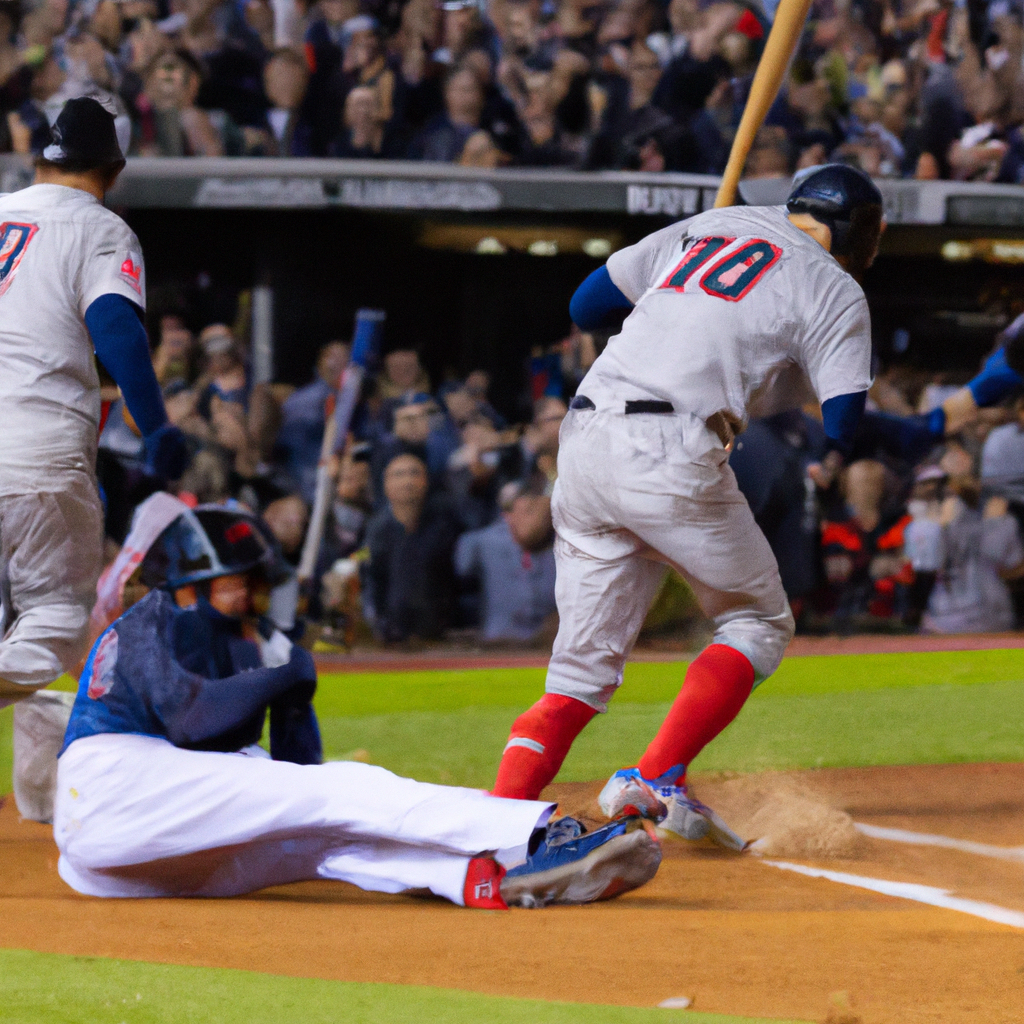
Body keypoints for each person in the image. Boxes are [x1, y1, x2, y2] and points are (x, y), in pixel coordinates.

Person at [490, 165, 886, 847]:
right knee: (758, 621)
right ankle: (657, 776)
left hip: (584, 439)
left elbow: (587, 307)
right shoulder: (835, 285)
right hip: (671, 448)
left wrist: (677, 299)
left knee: (577, 677)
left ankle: (491, 823)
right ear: (861, 235)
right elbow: (844, 425)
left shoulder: (713, 222)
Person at [53, 505, 661, 908]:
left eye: (257, 581)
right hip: (108, 785)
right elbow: (193, 717)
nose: (253, 593)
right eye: (236, 580)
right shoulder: (148, 622)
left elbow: (293, 766)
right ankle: (532, 836)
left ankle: (482, 879)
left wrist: (295, 695)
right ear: (190, 581)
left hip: (134, 861)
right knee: (340, 791)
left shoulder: (236, 639)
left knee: (322, 838)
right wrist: (281, 678)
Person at [0, 97, 187, 819]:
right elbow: (115, 325)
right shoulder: (102, 227)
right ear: (116, 165)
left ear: (40, 154)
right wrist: (156, 425)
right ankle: (58, 799)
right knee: (54, 617)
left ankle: (42, 799)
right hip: (38, 453)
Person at [455, 479, 557, 644]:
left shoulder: (559, 542)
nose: (537, 516)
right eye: (528, 510)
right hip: (499, 642)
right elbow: (461, 567)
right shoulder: (486, 541)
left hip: (546, 644)